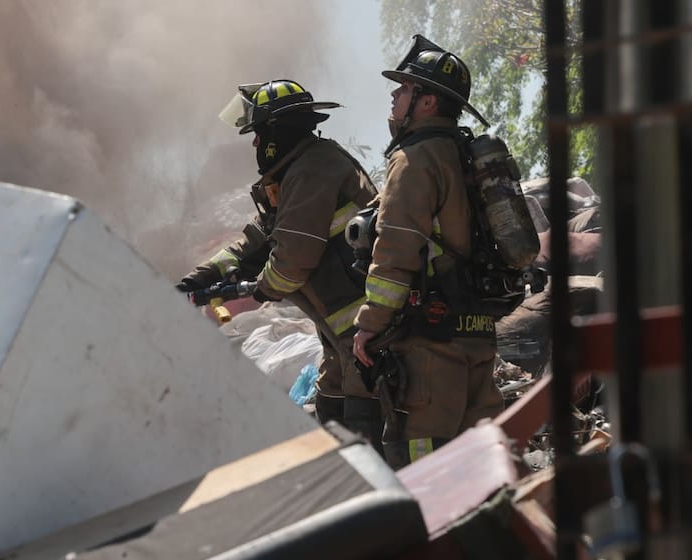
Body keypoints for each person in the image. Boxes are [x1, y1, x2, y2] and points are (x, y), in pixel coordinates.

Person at [178, 80, 380, 448]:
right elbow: (258, 237)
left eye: (257, 134)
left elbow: (293, 260)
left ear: (276, 132)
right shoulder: (294, 175)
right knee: (332, 399)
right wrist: (202, 277)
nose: (255, 144)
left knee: (367, 420)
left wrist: (262, 288)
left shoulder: (313, 167)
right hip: (341, 334)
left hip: (365, 326)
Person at [351, 35, 505, 469]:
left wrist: (369, 325)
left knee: (426, 467)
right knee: (484, 466)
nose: (395, 96)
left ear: (427, 102)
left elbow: (396, 247)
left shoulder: (415, 158)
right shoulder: (465, 153)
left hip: (431, 345)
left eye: (403, 89)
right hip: (477, 331)